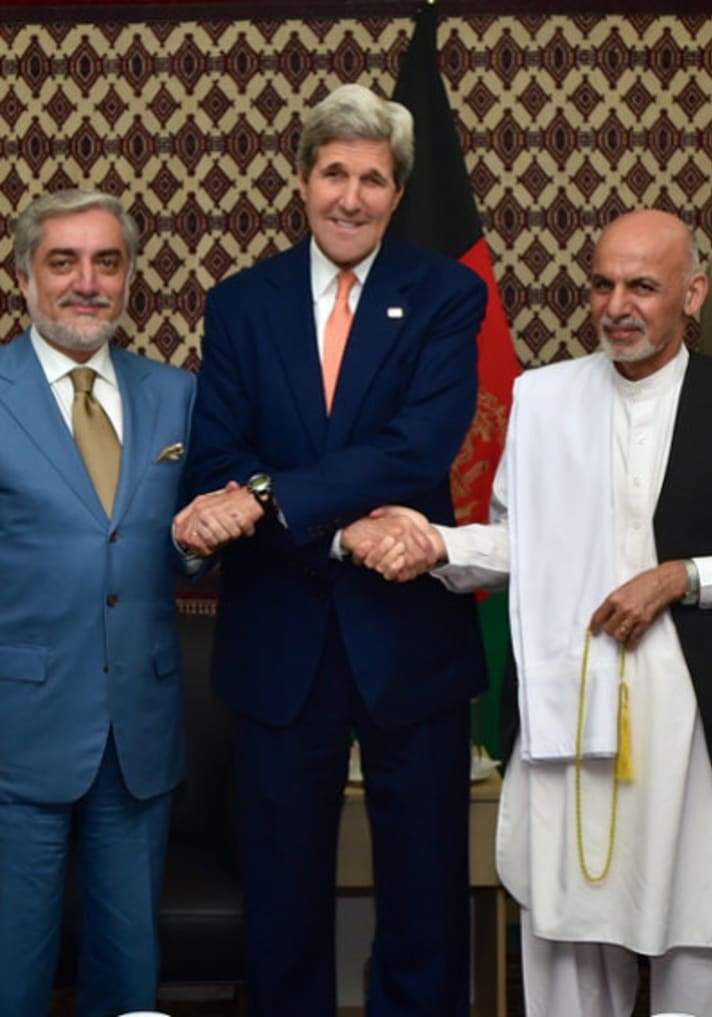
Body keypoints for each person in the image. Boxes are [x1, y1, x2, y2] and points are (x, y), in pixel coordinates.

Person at [356, 208, 712, 1016]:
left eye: (642, 287)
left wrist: (683, 577)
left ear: (692, 294)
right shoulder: (544, 398)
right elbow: (523, 544)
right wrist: (437, 544)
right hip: (570, 711)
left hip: (692, 728)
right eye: (601, 285)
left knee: (700, 941)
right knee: (568, 947)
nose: (616, 306)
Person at [174, 83, 488, 1016]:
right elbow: (218, 458)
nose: (351, 197)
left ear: (399, 191)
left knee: (426, 902)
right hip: (280, 643)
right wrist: (344, 526)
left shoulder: (446, 294)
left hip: (409, 643)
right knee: (282, 904)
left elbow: (416, 448)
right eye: (334, 173)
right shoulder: (241, 303)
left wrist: (275, 495)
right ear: (303, 179)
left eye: (373, 179)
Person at [0, 188, 197, 1017]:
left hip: (138, 727)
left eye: (106, 262)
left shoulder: (177, 395)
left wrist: (203, 537)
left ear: (128, 278)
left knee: (127, 968)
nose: (87, 282)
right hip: (17, 726)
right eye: (64, 261)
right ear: (24, 277)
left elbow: (184, 542)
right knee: (12, 966)